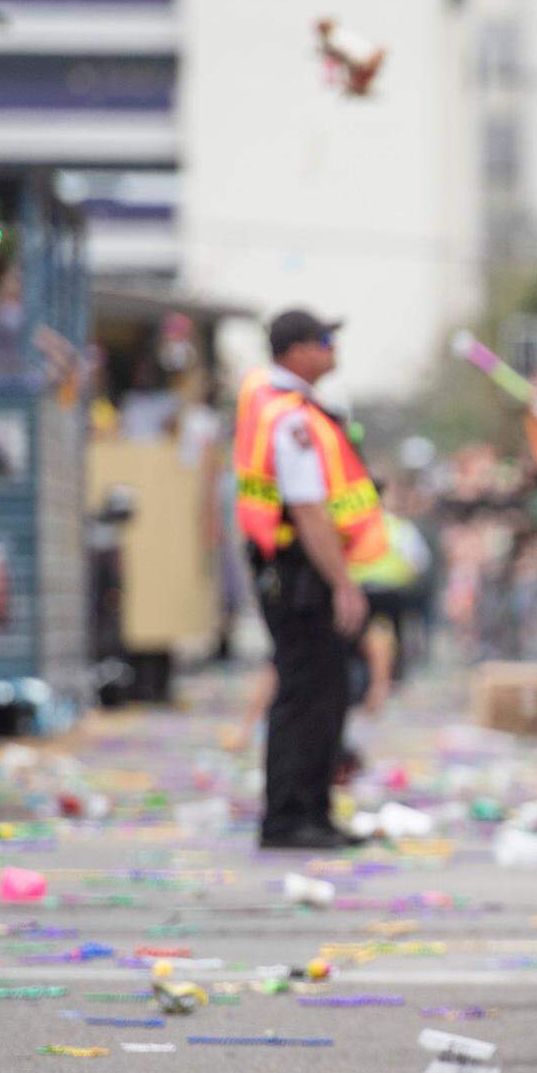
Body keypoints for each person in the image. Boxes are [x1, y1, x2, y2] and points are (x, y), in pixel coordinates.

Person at [231, 309, 385, 850]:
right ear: (295, 351)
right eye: (323, 339)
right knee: (307, 694)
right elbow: (307, 507)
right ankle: (291, 817)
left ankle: (312, 812)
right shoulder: (290, 417)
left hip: (295, 567)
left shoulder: (287, 406)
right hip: (300, 570)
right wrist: (342, 583)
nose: (332, 348)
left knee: (323, 691)